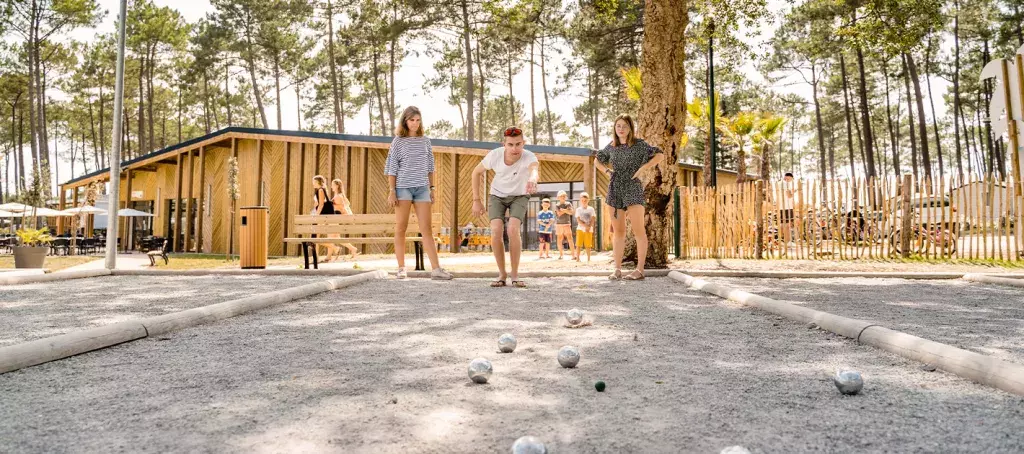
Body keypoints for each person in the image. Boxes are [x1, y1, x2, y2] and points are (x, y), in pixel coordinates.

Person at [384, 106, 453, 280]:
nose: (415, 123)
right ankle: (401, 268)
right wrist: (392, 191)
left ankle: (436, 269)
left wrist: (432, 188)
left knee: (426, 229)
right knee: (401, 227)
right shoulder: (398, 141)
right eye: (411, 120)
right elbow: (392, 167)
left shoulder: (425, 141)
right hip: (403, 188)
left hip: (422, 188)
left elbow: (430, 167)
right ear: (405, 121)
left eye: (417, 120)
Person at [593, 114, 664, 280]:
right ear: (614, 128)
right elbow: (597, 161)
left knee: (639, 230)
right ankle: (617, 269)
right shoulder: (611, 146)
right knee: (618, 231)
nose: (621, 129)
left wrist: (643, 168)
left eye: (624, 126)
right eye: (618, 126)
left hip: (633, 187)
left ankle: (639, 270)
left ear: (630, 128)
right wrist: (607, 171)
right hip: (615, 188)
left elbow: (659, 155)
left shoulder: (639, 145)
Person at [471, 126, 539, 288]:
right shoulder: (495, 155)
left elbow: (534, 170)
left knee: (513, 230)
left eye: (518, 144)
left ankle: (514, 275)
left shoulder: (529, 156)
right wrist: (476, 200)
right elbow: (476, 172)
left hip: (520, 195)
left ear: (523, 143)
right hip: (497, 195)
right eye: (510, 144)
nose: (514, 148)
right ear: (504, 144)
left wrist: (533, 179)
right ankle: (502, 274)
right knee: (496, 230)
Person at [327, 178, 359, 261]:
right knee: (335, 237)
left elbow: (341, 207)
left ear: (337, 186)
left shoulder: (338, 197)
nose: (331, 187)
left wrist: (335, 206)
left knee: (330, 237)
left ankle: (329, 256)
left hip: (336, 218)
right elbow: (347, 203)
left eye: (333, 185)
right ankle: (352, 249)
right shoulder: (340, 195)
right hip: (336, 218)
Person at [312, 175, 335, 260]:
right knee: (315, 236)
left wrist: (316, 216)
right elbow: (317, 203)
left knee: (315, 236)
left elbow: (321, 204)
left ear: (318, 182)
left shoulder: (321, 190)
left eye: (314, 182)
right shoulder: (320, 190)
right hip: (321, 214)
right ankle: (316, 257)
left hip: (322, 215)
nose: (313, 184)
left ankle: (334, 248)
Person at [573, 192, 596, 262]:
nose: (584, 202)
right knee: (578, 244)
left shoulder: (591, 209)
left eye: (585, 200)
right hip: (580, 229)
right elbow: (578, 220)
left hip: (589, 229)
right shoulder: (578, 209)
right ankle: (577, 258)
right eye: (582, 200)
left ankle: (588, 259)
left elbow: (593, 218)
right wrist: (585, 226)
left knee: (588, 245)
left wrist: (589, 227)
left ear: (588, 200)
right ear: (580, 200)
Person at [554, 190, 576, 259]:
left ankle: (573, 255)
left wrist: (563, 210)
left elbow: (571, 212)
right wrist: (566, 210)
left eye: (564, 196)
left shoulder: (568, 204)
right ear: (558, 197)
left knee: (570, 239)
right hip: (559, 224)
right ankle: (561, 255)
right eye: (561, 196)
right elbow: (559, 214)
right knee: (559, 239)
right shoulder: (557, 205)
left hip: (567, 223)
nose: (563, 197)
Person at [780, 172, 796, 248]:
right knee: (787, 224)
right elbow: (789, 195)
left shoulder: (780, 183)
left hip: (781, 206)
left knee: (783, 224)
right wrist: (793, 192)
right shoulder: (785, 184)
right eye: (791, 179)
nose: (791, 181)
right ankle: (788, 241)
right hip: (787, 207)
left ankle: (783, 240)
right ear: (788, 177)